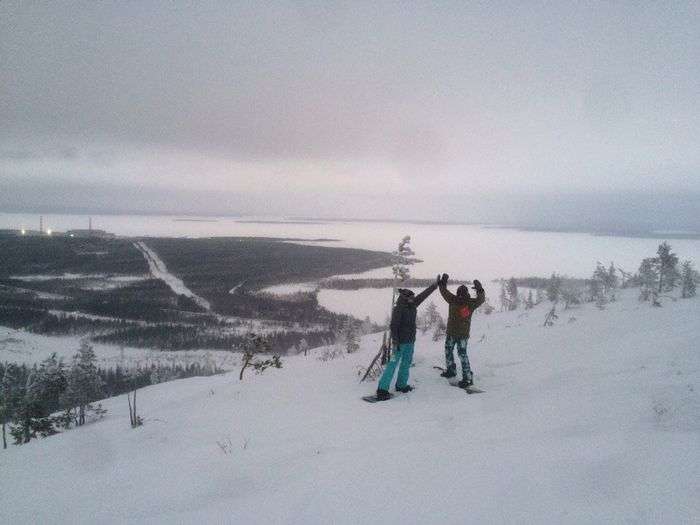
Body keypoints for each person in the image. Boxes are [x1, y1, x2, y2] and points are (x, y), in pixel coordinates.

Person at [376, 277, 440, 400]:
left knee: (406, 364)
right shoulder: (399, 308)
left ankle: (401, 385)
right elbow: (393, 326)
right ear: (405, 298)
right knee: (392, 365)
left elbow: (423, 295)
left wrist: (434, 286)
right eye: (410, 297)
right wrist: (395, 341)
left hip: (410, 342)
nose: (413, 299)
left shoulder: (412, 305)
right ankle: (382, 389)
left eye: (412, 297)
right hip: (399, 343)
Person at [438, 273, 485, 388]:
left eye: (462, 294)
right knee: (451, 351)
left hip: (461, 335)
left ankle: (467, 378)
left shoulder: (466, 302)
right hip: (453, 333)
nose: (460, 296)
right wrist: (443, 283)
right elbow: (444, 291)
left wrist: (480, 289)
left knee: (461, 354)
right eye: (460, 294)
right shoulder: (460, 301)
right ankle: (451, 370)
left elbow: (481, 299)